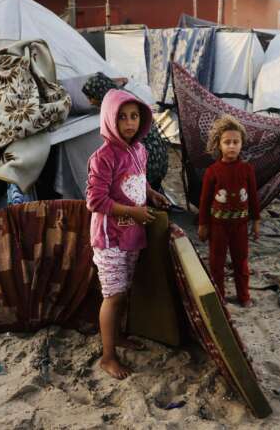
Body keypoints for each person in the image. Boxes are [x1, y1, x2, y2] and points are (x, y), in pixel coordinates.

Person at [85, 88, 169, 379]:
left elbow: (138, 180)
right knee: (114, 296)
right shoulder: (103, 156)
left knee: (124, 292)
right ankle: (108, 357)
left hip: (132, 235)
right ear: (110, 119)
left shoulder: (140, 150)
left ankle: (117, 336)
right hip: (110, 240)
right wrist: (132, 212)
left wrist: (152, 194)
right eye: (122, 117)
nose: (130, 123)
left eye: (134, 116)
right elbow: (95, 201)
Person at [197, 115, 260, 307]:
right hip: (218, 226)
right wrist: (203, 224)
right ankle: (219, 296)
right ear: (219, 145)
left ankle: (244, 296)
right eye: (227, 142)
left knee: (241, 261)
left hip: (240, 225)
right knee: (217, 263)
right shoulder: (212, 171)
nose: (232, 146)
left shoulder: (247, 169)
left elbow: (253, 198)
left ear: (241, 144)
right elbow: (205, 201)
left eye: (236, 142)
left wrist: (255, 221)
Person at [82, 73, 169, 192]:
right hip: (158, 158)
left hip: (147, 163)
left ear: (99, 93)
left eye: (90, 97)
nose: (90, 102)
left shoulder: (115, 111)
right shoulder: (125, 98)